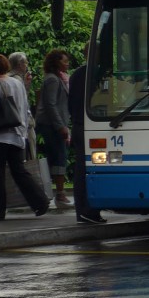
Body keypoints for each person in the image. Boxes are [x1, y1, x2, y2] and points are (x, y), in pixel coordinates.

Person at [0, 54, 50, 221]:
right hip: (18, 136)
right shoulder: (18, 83)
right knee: (19, 172)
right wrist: (23, 130)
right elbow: (25, 107)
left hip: (0, 137)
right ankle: (40, 201)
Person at [66, 61, 104, 224]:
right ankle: (87, 211)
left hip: (79, 124)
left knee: (82, 170)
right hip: (87, 125)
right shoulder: (95, 73)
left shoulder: (77, 73)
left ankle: (86, 211)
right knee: (85, 170)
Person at [37, 48, 72, 207]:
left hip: (55, 124)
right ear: (57, 62)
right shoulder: (52, 79)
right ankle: (60, 194)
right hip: (53, 125)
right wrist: (61, 126)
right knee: (59, 158)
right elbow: (51, 105)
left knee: (59, 157)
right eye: (64, 61)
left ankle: (58, 193)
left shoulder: (58, 78)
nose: (67, 63)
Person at [8, 51, 37, 158]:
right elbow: (22, 103)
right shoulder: (16, 79)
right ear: (19, 64)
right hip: (23, 124)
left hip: (16, 124)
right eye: (25, 62)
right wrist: (29, 122)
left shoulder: (10, 78)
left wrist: (26, 84)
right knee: (28, 156)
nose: (27, 64)